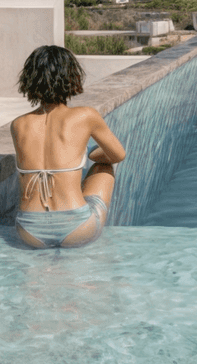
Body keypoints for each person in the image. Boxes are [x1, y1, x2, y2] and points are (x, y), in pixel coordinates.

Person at [10, 45, 125, 249]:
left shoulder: (18, 125)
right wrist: (91, 155)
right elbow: (118, 155)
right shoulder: (86, 115)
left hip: (29, 230)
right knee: (104, 167)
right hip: (77, 228)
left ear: (29, 80)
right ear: (72, 78)